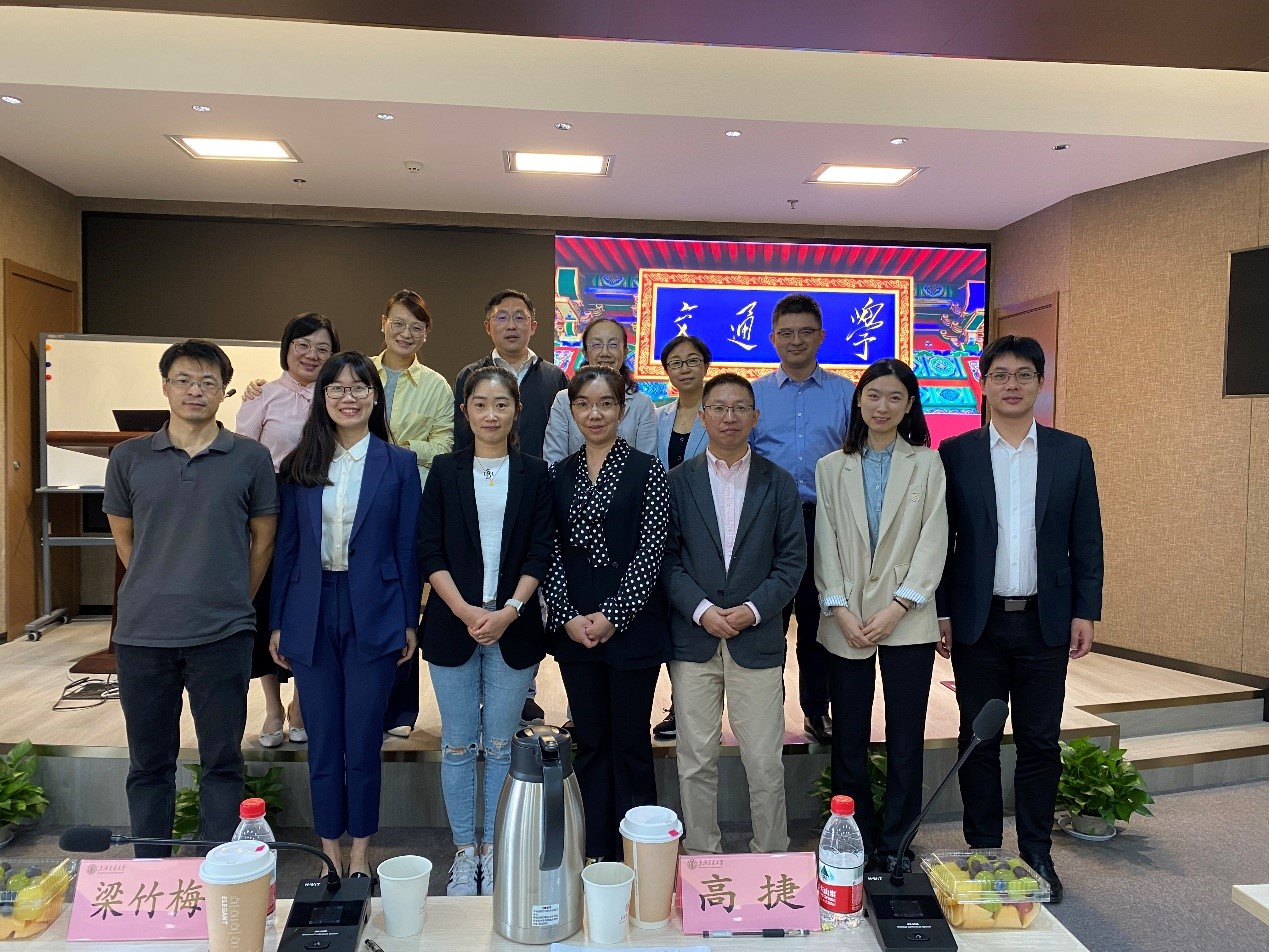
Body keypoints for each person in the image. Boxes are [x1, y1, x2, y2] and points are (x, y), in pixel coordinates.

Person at [937, 335, 1103, 903]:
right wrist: (941, 609)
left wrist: (1086, 609)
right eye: (1000, 375)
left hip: (1044, 621)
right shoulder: (956, 452)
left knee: (1040, 742)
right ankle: (984, 849)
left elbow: (1087, 537)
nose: (1012, 385)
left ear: (1039, 383)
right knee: (977, 739)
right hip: (978, 621)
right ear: (983, 384)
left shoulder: (1070, 451)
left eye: (1024, 375)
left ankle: (1036, 852)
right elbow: (943, 541)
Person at [104, 340, 278, 856]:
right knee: (148, 763)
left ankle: (218, 868)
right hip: (143, 633)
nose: (194, 391)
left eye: (207, 382)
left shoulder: (251, 457)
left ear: (225, 391)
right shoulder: (128, 457)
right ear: (165, 386)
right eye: (183, 380)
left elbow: (262, 541)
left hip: (223, 632)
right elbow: (125, 541)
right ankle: (151, 869)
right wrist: (160, 582)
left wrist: (233, 599)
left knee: (223, 761)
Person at [270, 352, 421, 877]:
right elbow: (286, 549)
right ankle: (328, 849)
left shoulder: (398, 463)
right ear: (322, 398)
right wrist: (278, 621)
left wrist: (408, 620)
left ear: (375, 397)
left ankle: (361, 851)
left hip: (374, 611)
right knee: (323, 742)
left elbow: (407, 549)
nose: (348, 397)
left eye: (359, 388)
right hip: (310, 610)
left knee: (362, 739)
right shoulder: (300, 464)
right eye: (336, 388)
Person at [417, 366, 554, 897]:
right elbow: (429, 549)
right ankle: (464, 851)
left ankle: (496, 850)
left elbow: (541, 550)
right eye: (480, 404)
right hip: (453, 625)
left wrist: (509, 611)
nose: (490, 414)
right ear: (465, 411)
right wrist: (465, 610)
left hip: (513, 627)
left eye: (501, 404)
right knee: (456, 745)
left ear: (517, 410)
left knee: (500, 745)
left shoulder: (535, 472)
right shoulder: (445, 470)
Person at [813, 358, 947, 874]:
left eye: (894, 397)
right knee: (848, 736)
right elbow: (824, 541)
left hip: (906, 618)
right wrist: (838, 606)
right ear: (859, 401)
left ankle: (898, 842)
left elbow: (933, 539)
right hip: (844, 618)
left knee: (905, 736)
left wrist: (900, 604)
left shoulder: (927, 464)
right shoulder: (832, 466)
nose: (882, 406)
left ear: (910, 404)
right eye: (873, 395)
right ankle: (855, 838)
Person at [662, 373, 804, 855]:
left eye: (740, 408)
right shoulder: (676, 482)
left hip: (756, 639)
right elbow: (666, 561)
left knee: (764, 761)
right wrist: (702, 610)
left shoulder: (778, 482)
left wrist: (751, 610)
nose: (729, 417)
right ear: (702, 417)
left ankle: (771, 857)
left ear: (755, 416)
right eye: (719, 408)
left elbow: (792, 563)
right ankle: (702, 857)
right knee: (695, 759)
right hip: (693, 639)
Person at [542, 367, 671, 862]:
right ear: (571, 410)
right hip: (575, 630)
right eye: (583, 404)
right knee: (591, 742)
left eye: (605, 404)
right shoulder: (558, 474)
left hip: (632, 628)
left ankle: (640, 852)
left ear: (622, 409)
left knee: (631, 744)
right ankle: (595, 849)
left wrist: (613, 615)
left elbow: (651, 551)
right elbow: (549, 552)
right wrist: (570, 616)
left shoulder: (647, 469)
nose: (594, 414)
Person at [750, 292, 854, 746]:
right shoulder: (753, 395)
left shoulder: (846, 394)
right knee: (767, 620)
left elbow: (856, 457)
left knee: (818, 619)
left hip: (824, 521)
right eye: (787, 333)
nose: (796, 340)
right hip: (766, 523)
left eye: (805, 332)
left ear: (821, 337)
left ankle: (816, 709)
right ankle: (765, 713)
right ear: (773, 338)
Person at [235, 312, 340, 749]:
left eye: (322, 348)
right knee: (265, 602)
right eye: (303, 345)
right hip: (268, 505)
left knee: (308, 603)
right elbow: (243, 456)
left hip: (320, 504)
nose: (311, 355)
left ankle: (300, 704)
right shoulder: (262, 395)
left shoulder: (336, 397)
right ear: (287, 348)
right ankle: (272, 705)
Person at [371, 289, 454, 740]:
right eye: (399, 323)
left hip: (410, 504)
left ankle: (401, 708)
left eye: (416, 327)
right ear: (383, 322)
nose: (406, 333)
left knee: (404, 601)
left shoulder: (437, 386)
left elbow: (445, 445)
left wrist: (401, 448)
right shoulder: (358, 371)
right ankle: (365, 699)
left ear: (426, 333)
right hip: (357, 503)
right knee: (364, 600)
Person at [651, 334, 712, 741]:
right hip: (666, 528)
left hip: (709, 526)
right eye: (675, 362)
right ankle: (679, 705)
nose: (684, 368)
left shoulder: (720, 412)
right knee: (673, 619)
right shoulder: (658, 417)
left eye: (692, 360)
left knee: (702, 618)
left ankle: (705, 711)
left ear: (705, 366)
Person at [453, 289, 567, 461]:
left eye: (519, 318)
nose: (511, 326)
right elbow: (461, 438)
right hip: (484, 472)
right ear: (488, 327)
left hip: (542, 475)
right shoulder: (470, 375)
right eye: (502, 318)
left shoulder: (555, 377)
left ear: (533, 327)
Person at [543, 316, 657, 463]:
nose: (605, 352)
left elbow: (647, 463)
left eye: (613, 345)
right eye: (596, 345)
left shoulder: (642, 404)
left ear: (625, 352)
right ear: (585, 352)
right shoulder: (564, 400)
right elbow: (554, 460)